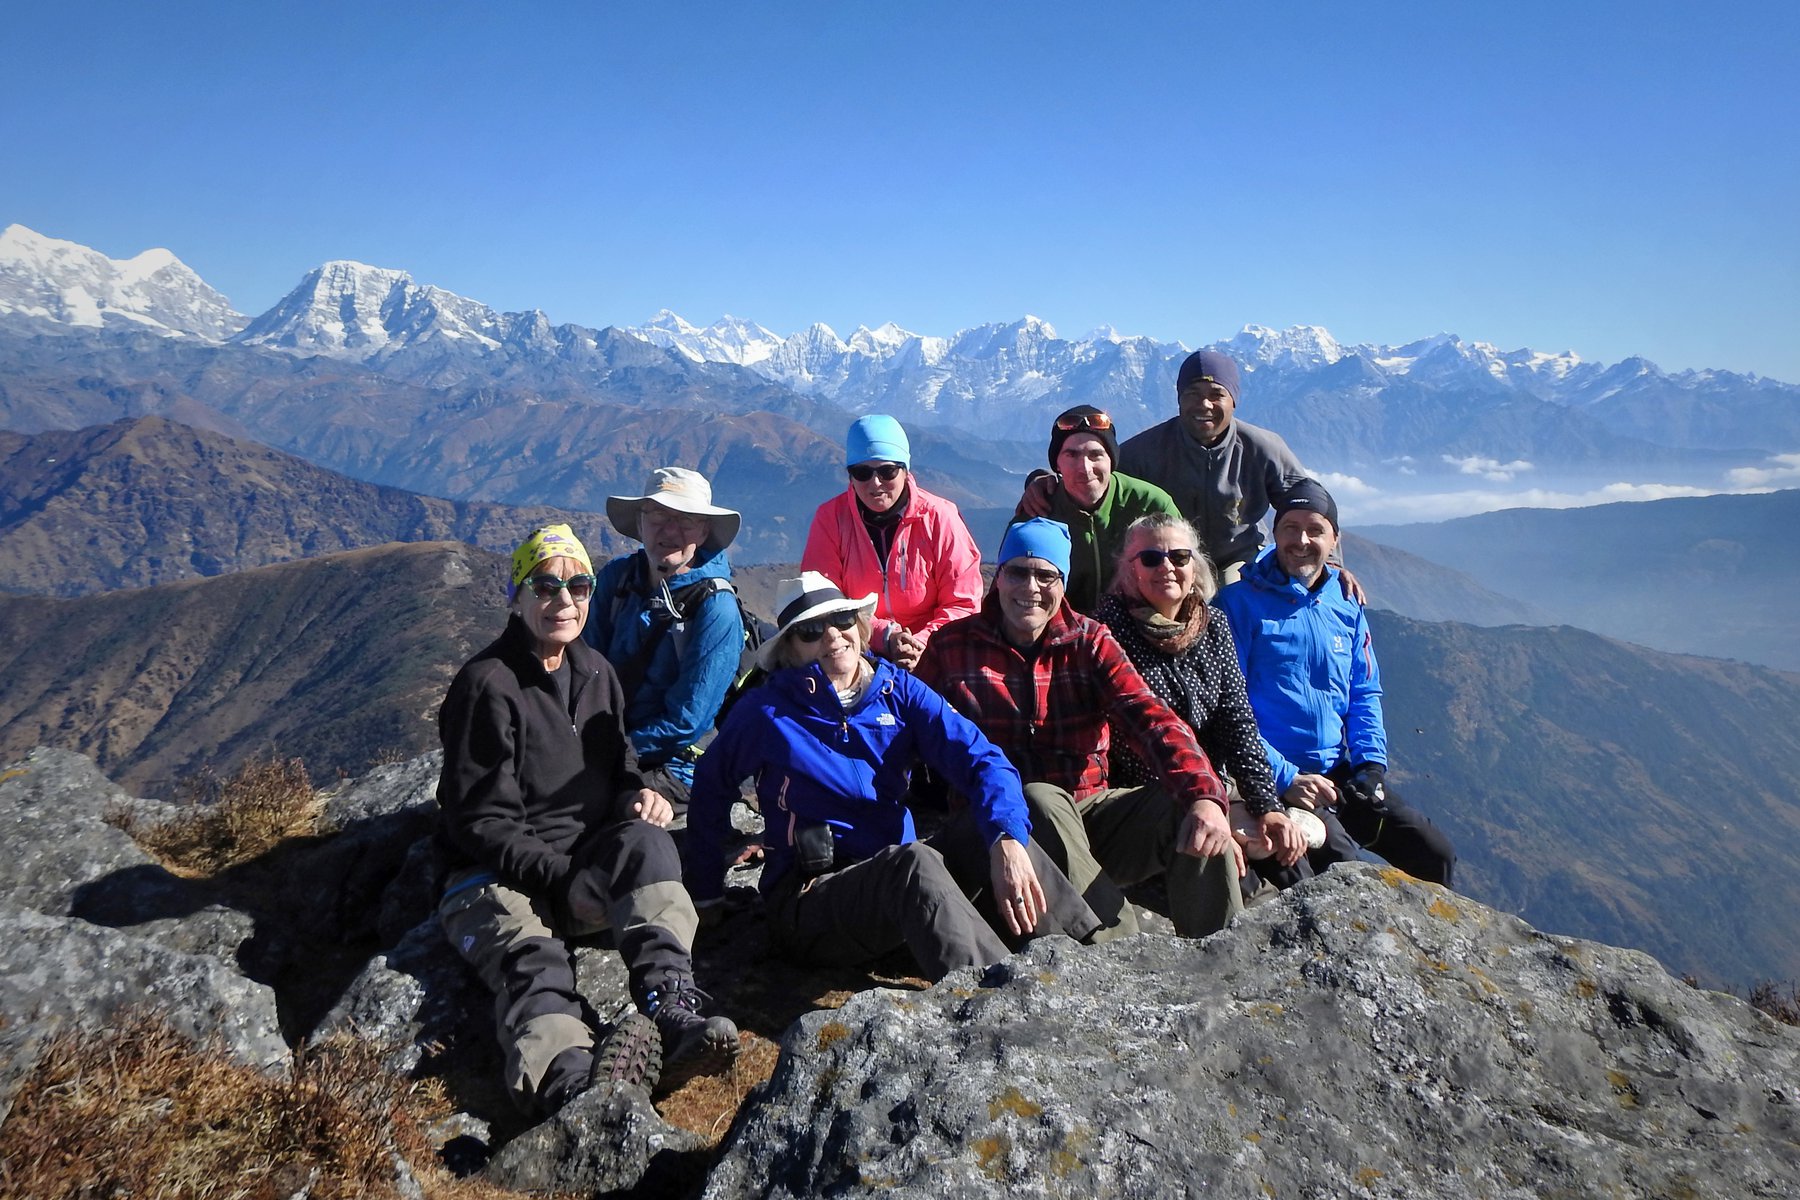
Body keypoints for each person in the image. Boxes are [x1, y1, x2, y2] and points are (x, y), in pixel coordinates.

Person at [435, 524, 738, 1116]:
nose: (564, 601)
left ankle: (668, 1005)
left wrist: (635, 796)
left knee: (648, 844)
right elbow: (480, 820)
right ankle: (571, 1085)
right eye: (545, 586)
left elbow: (620, 764)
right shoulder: (486, 687)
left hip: (580, 865)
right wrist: (560, 878)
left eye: (578, 586)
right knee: (534, 961)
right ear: (517, 596)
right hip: (491, 875)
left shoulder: (596, 672)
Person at [686, 572, 1100, 981]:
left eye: (842, 621)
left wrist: (1007, 839)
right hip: (809, 897)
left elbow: (982, 759)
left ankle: (1088, 966)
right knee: (914, 861)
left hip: (896, 883)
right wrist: (706, 894)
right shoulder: (767, 711)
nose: (833, 637)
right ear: (790, 650)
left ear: (860, 626)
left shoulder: (897, 691)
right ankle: (996, 999)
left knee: (992, 829)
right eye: (811, 630)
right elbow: (711, 784)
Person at [916, 518, 1246, 942]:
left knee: (1188, 806)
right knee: (1038, 795)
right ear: (998, 578)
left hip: (1087, 818)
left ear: (1063, 583)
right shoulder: (952, 647)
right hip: (994, 833)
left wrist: (1205, 795)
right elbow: (909, 735)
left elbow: (1150, 718)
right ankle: (1123, 950)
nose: (1030, 587)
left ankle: (1221, 955)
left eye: (1046, 575)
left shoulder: (1089, 642)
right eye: (1017, 571)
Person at [1215, 481, 1457, 885]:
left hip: (1338, 773)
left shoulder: (1346, 603)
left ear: (1335, 539)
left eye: (1315, 529)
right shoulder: (1236, 606)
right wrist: (1284, 777)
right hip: (1267, 778)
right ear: (1274, 534)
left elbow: (1364, 691)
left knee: (1433, 853)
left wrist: (1370, 766)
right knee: (1338, 874)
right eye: (1290, 528)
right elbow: (1226, 708)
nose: (1301, 540)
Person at [1095, 514, 1314, 887]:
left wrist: (1267, 806)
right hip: (1155, 797)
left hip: (1217, 784)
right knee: (1239, 880)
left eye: (1179, 557)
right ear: (1129, 569)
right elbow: (1135, 740)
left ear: (1194, 565)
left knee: (1293, 866)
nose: (1167, 567)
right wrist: (1209, 808)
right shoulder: (1107, 633)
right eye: (1151, 558)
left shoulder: (1212, 625)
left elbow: (1237, 721)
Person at [585, 467, 745, 813]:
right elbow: (583, 668)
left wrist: (613, 752)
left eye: (686, 520)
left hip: (675, 765)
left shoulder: (716, 609)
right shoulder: (617, 579)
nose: (670, 530)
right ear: (640, 523)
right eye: (659, 515)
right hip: (608, 742)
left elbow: (686, 721)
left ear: (703, 531)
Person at [1117, 349, 1315, 584]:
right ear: (1179, 398)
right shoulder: (1141, 452)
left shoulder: (1263, 448)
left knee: (1235, 599)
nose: (1204, 404)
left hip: (1238, 558)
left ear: (1233, 401)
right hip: (1167, 560)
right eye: (1192, 393)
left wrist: (1331, 563)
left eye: (1216, 394)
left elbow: (1309, 505)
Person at [802, 414, 983, 670]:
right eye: (862, 472)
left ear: (905, 469)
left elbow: (963, 603)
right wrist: (884, 636)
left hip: (935, 656)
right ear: (850, 476)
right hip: (853, 654)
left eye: (887, 471)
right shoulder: (830, 519)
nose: (875, 483)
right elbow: (821, 600)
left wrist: (920, 644)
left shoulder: (940, 518)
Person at [1008, 404, 1180, 613]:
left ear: (1111, 461)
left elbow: (1185, 572)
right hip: (1059, 636)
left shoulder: (1151, 505)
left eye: (1096, 455)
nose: (1085, 468)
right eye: (1072, 455)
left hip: (1142, 631)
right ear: (1057, 465)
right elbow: (1007, 591)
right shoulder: (1037, 511)